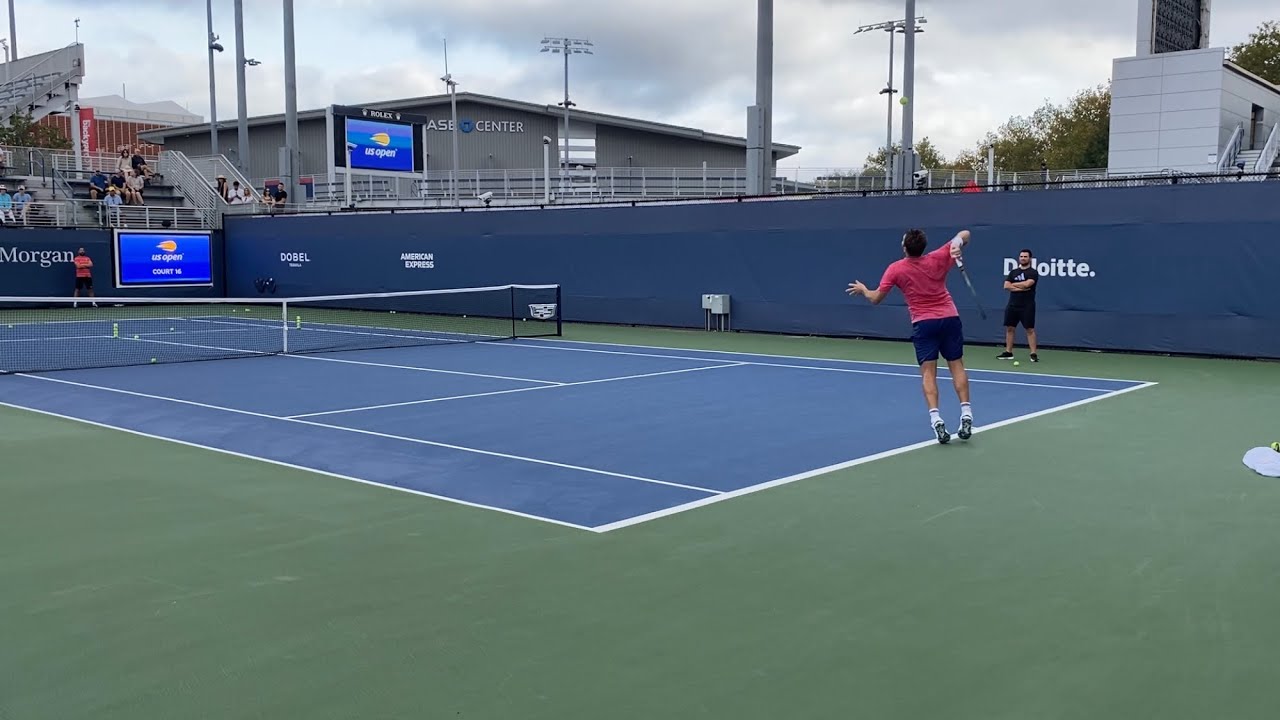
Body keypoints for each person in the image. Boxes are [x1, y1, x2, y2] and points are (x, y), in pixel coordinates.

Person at [846, 228, 974, 444]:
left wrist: (864, 290)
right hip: (950, 318)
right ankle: (967, 414)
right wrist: (957, 244)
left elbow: (876, 298)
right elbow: (966, 233)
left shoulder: (896, 269)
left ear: (905, 247)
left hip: (924, 323)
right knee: (957, 365)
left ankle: (936, 419)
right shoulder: (940, 256)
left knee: (928, 372)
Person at [997, 249, 1039, 362]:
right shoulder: (1013, 272)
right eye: (1021, 256)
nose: (1023, 258)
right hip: (1012, 305)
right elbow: (1006, 286)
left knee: (1030, 329)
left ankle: (1033, 354)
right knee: (1010, 328)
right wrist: (1020, 287)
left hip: (1027, 305)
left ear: (1030, 258)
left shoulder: (1033, 272)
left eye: (1025, 256)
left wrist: (1014, 285)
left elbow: (1028, 284)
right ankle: (1008, 352)